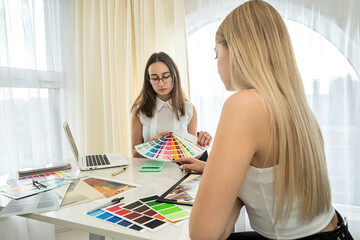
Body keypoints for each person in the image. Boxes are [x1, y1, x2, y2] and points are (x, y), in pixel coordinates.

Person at [184, 1, 354, 240]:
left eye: (216, 55)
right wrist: (215, 170)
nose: (217, 66)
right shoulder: (292, 103)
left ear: (236, 51)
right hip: (334, 232)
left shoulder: (244, 104)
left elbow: (203, 234)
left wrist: (229, 183)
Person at [131, 52, 212, 159]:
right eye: (155, 78)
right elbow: (134, 155)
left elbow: (194, 156)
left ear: (174, 76)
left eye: (166, 77)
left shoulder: (189, 109)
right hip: (149, 173)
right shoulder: (139, 110)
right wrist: (152, 144)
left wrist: (202, 144)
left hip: (181, 172)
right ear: (149, 80)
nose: (161, 83)